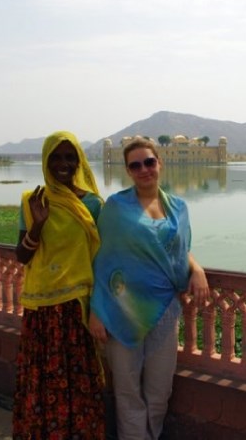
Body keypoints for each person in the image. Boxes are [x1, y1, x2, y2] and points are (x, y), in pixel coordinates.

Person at [89, 136, 209, 440]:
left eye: (149, 162)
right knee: (127, 390)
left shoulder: (178, 208)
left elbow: (180, 252)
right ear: (128, 170)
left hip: (164, 310)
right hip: (122, 310)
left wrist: (197, 269)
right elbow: (104, 261)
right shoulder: (116, 207)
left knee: (159, 390)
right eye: (135, 165)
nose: (144, 169)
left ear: (160, 163)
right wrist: (97, 310)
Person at [12, 130, 105, 439]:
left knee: (78, 381)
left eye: (69, 157)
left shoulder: (93, 204)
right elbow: (22, 256)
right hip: (42, 311)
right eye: (56, 157)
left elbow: (103, 259)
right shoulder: (33, 200)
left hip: (76, 309)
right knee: (41, 380)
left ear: (79, 162)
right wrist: (37, 225)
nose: (63, 164)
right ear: (45, 160)